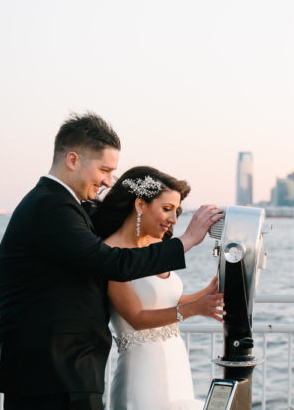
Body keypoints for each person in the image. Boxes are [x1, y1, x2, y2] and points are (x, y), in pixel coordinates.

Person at [0, 112, 224, 410]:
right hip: (51, 374)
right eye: (104, 169)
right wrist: (186, 240)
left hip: (67, 372)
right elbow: (111, 263)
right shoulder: (50, 207)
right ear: (73, 160)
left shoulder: (65, 206)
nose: (109, 181)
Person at [90, 166, 224, 410]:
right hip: (142, 373)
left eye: (176, 211)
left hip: (176, 362)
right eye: (166, 209)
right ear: (140, 205)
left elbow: (164, 300)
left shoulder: (157, 245)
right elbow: (137, 317)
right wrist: (194, 309)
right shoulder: (111, 252)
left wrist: (205, 295)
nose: (173, 220)